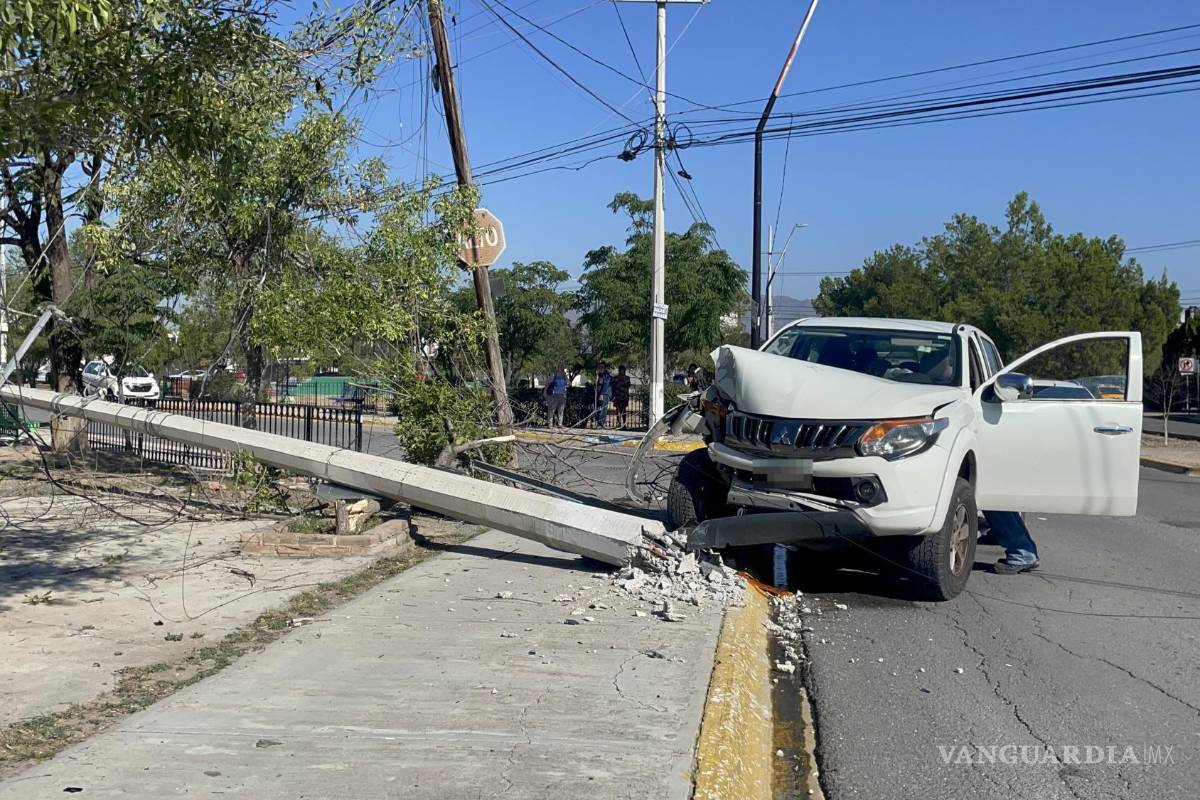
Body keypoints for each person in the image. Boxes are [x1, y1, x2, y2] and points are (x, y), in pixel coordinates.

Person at [594, 362, 613, 429]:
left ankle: (600, 424)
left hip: (604, 394)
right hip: (598, 394)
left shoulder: (606, 376)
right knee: (598, 409)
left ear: (604, 368)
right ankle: (598, 423)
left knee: (603, 409)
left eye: (602, 367)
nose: (600, 368)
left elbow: (606, 385)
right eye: (599, 367)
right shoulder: (599, 375)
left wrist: (601, 394)